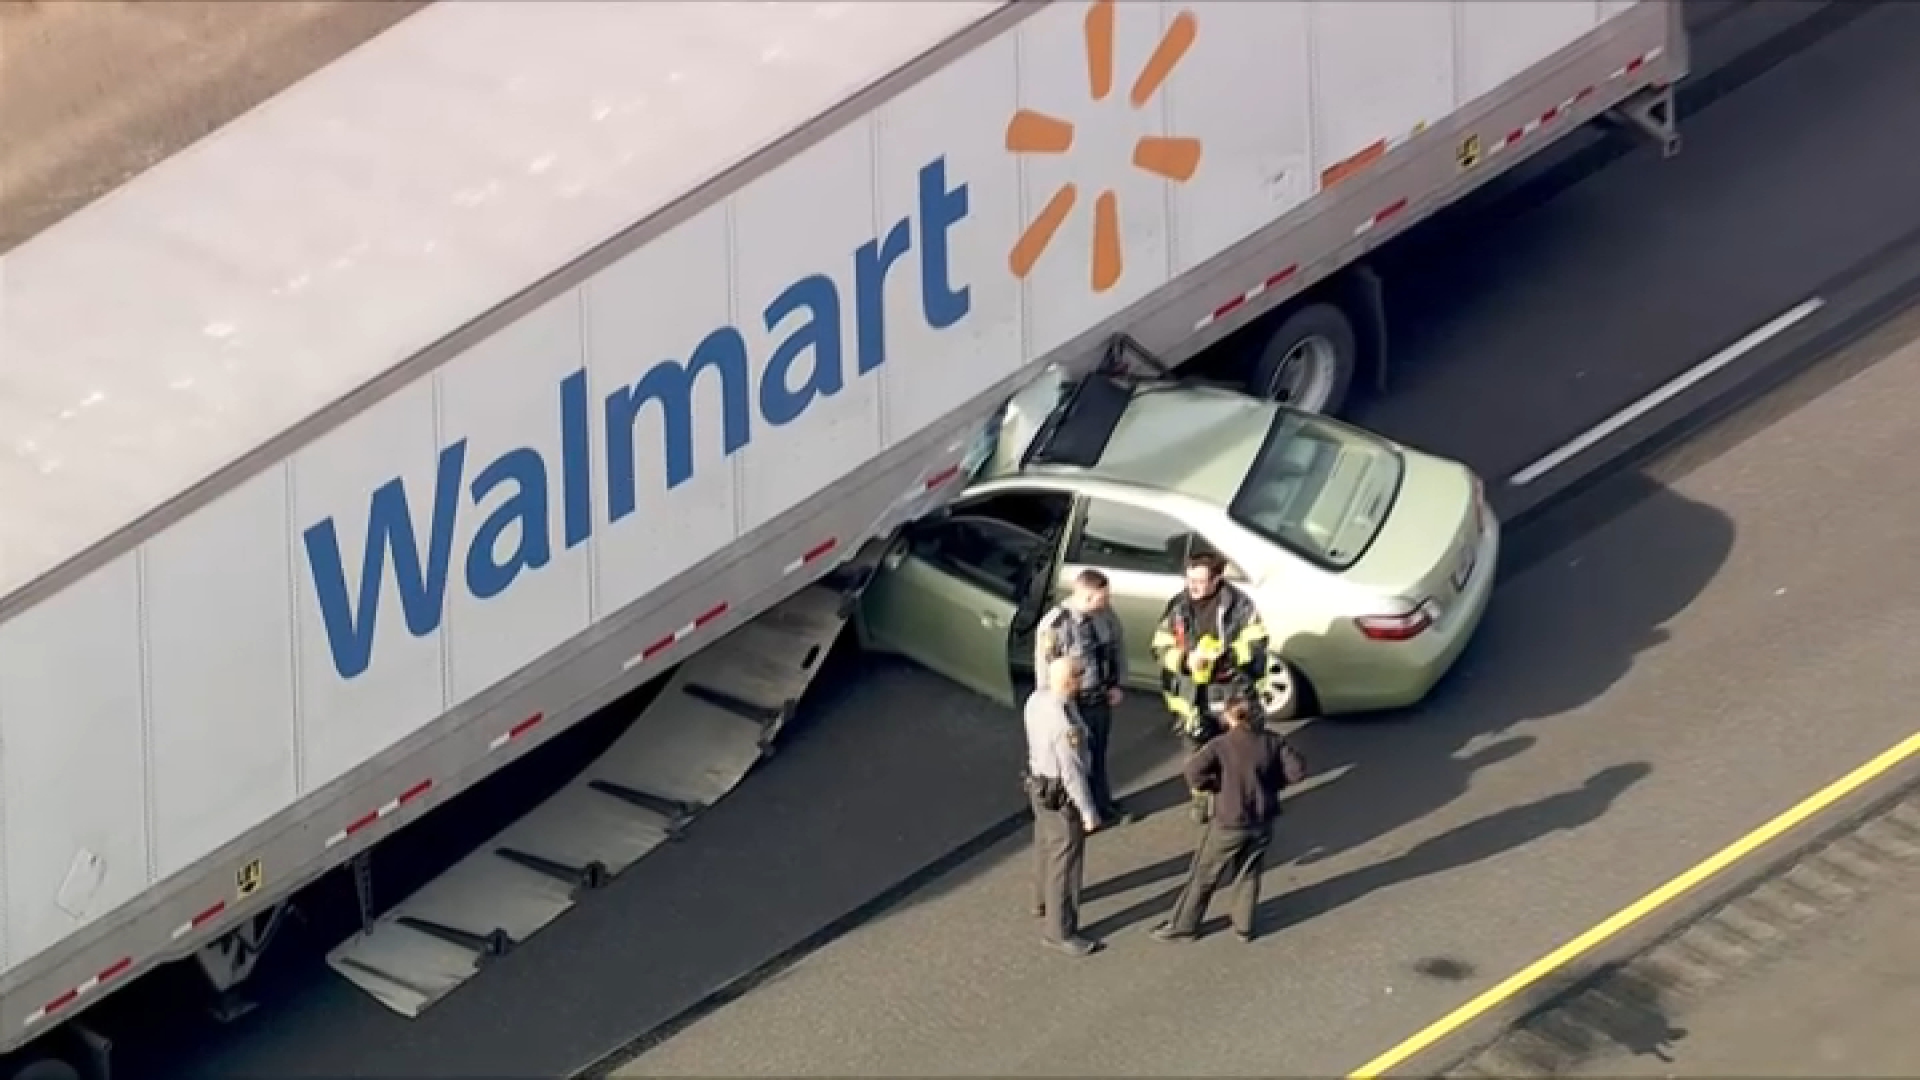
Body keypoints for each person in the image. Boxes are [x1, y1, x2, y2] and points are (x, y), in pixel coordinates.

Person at [1150, 696, 1305, 944]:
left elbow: (1193, 771)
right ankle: (1244, 927)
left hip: (1228, 821)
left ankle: (1185, 925)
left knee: (1205, 873)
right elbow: (1296, 771)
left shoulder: (1221, 745)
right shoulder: (1273, 741)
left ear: (1233, 717)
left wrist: (1212, 785)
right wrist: (1273, 785)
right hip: (1262, 820)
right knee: (1248, 872)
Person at [1149, 551, 1279, 823]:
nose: (1192, 586)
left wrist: (1225, 656)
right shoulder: (1178, 605)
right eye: (1189, 579)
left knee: (1244, 749)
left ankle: (1253, 798)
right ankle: (1201, 796)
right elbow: (1159, 645)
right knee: (1196, 748)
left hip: (1233, 690)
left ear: (1217, 579)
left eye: (1199, 581)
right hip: (1193, 694)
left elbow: (1257, 645)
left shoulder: (1240, 606)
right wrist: (1186, 660)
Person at [1033, 568, 1132, 824]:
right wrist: (1056, 709)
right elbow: (1046, 673)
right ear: (1086, 596)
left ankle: (1101, 804)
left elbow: (1117, 649)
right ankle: (1078, 809)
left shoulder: (1105, 615)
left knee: (1097, 754)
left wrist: (1118, 684)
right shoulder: (1056, 625)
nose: (1107, 603)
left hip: (1100, 698)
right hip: (1073, 703)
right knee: (1075, 760)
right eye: (1102, 598)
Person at [1022, 654, 1105, 956]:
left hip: (1038, 784)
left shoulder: (1036, 699)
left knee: (1045, 843)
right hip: (1061, 793)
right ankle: (1060, 930)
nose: (1082, 681)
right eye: (1079, 677)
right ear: (1070, 682)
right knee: (1066, 859)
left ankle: (1040, 899)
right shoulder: (1064, 722)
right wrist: (1088, 810)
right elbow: (1072, 771)